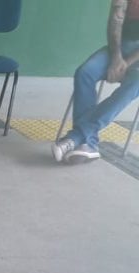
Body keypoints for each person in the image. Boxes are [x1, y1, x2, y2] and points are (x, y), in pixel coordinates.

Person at [52, 0, 139, 164]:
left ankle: (76, 137)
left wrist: (125, 64)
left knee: (136, 84)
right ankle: (87, 144)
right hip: (120, 46)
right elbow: (115, 20)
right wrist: (116, 57)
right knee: (85, 72)